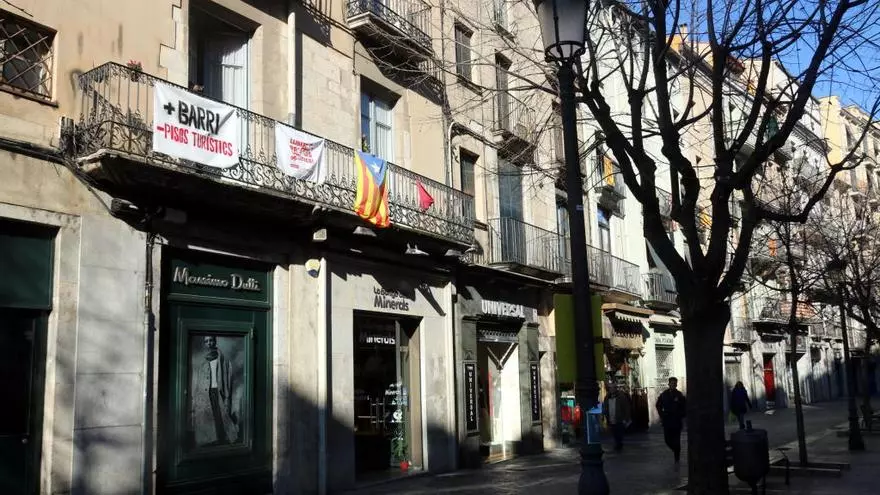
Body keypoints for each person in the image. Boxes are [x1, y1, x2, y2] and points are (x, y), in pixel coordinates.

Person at [190, 335, 239, 447]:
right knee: (208, 417)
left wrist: (226, 394)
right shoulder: (203, 361)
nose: (209, 343)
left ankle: (222, 439)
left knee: (220, 416)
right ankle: (211, 440)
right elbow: (199, 380)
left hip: (218, 391)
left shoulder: (222, 359)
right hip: (206, 393)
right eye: (206, 341)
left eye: (211, 340)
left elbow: (228, 377)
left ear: (215, 341)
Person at [656, 377, 687, 465]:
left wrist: (681, 414)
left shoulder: (679, 395)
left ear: (676, 384)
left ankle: (677, 457)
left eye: (674, 383)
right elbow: (658, 405)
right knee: (667, 439)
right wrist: (662, 414)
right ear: (669, 384)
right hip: (667, 420)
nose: (673, 385)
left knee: (677, 440)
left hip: (676, 421)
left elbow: (684, 406)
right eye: (672, 383)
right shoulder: (664, 394)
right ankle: (675, 449)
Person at [603, 382, 632, 451]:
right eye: (610, 388)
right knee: (614, 432)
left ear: (615, 388)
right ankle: (617, 443)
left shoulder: (621, 396)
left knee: (619, 432)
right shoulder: (607, 397)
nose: (611, 389)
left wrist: (626, 418)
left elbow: (626, 407)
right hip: (611, 418)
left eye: (613, 388)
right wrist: (605, 415)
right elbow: (605, 407)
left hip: (619, 418)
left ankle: (619, 444)